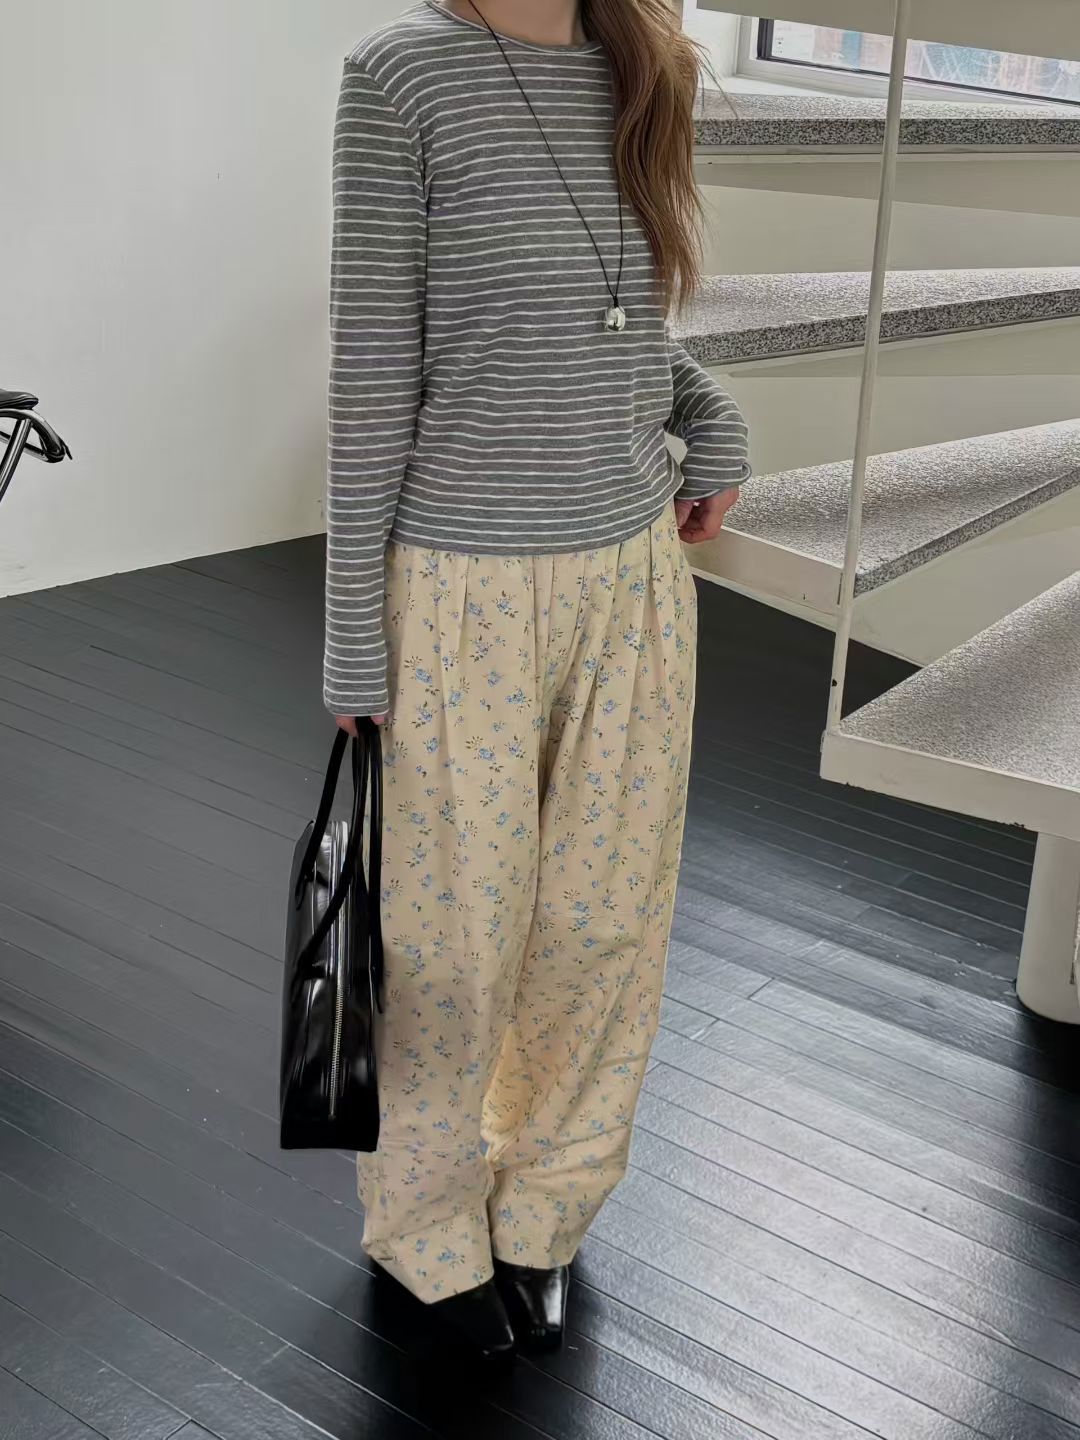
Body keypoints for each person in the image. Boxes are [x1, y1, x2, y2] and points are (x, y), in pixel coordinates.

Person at [323, 0, 750, 1360]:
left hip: (633, 583)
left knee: (602, 929)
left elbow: (608, 317)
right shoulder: (401, 75)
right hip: (463, 592)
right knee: (450, 944)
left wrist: (707, 413)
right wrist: (351, 628)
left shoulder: (648, 63)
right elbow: (377, 363)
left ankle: (547, 1211)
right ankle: (427, 1229)